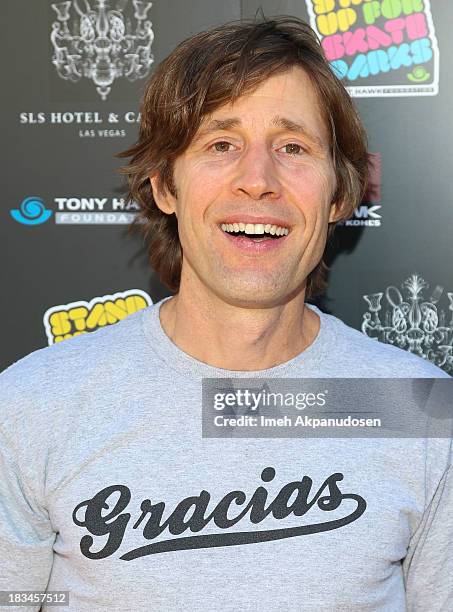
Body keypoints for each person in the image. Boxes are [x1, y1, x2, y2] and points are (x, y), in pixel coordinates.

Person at [0, 16, 451, 612]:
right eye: (221, 145)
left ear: (340, 194)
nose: (258, 181)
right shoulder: (35, 403)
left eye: (293, 147)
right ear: (165, 186)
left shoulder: (413, 407)